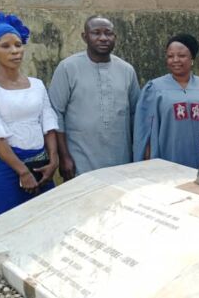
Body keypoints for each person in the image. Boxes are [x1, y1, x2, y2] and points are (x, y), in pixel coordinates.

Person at [0, 13, 59, 217]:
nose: (14, 51)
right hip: (7, 169)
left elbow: (48, 123)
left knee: (47, 223)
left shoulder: (37, 85)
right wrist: (23, 172)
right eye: (5, 46)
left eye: (18, 45)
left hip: (41, 166)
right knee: (9, 225)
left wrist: (53, 161)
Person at [48, 16, 140, 180]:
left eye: (108, 33)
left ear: (115, 38)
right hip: (80, 161)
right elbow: (56, 114)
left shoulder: (126, 70)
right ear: (85, 37)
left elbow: (136, 115)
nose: (103, 38)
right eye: (96, 33)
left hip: (121, 161)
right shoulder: (68, 68)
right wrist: (64, 157)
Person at [133, 33, 199, 168]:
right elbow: (144, 129)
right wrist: (146, 159)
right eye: (170, 56)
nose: (175, 60)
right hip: (168, 154)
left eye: (181, 56)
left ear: (192, 57)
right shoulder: (154, 88)